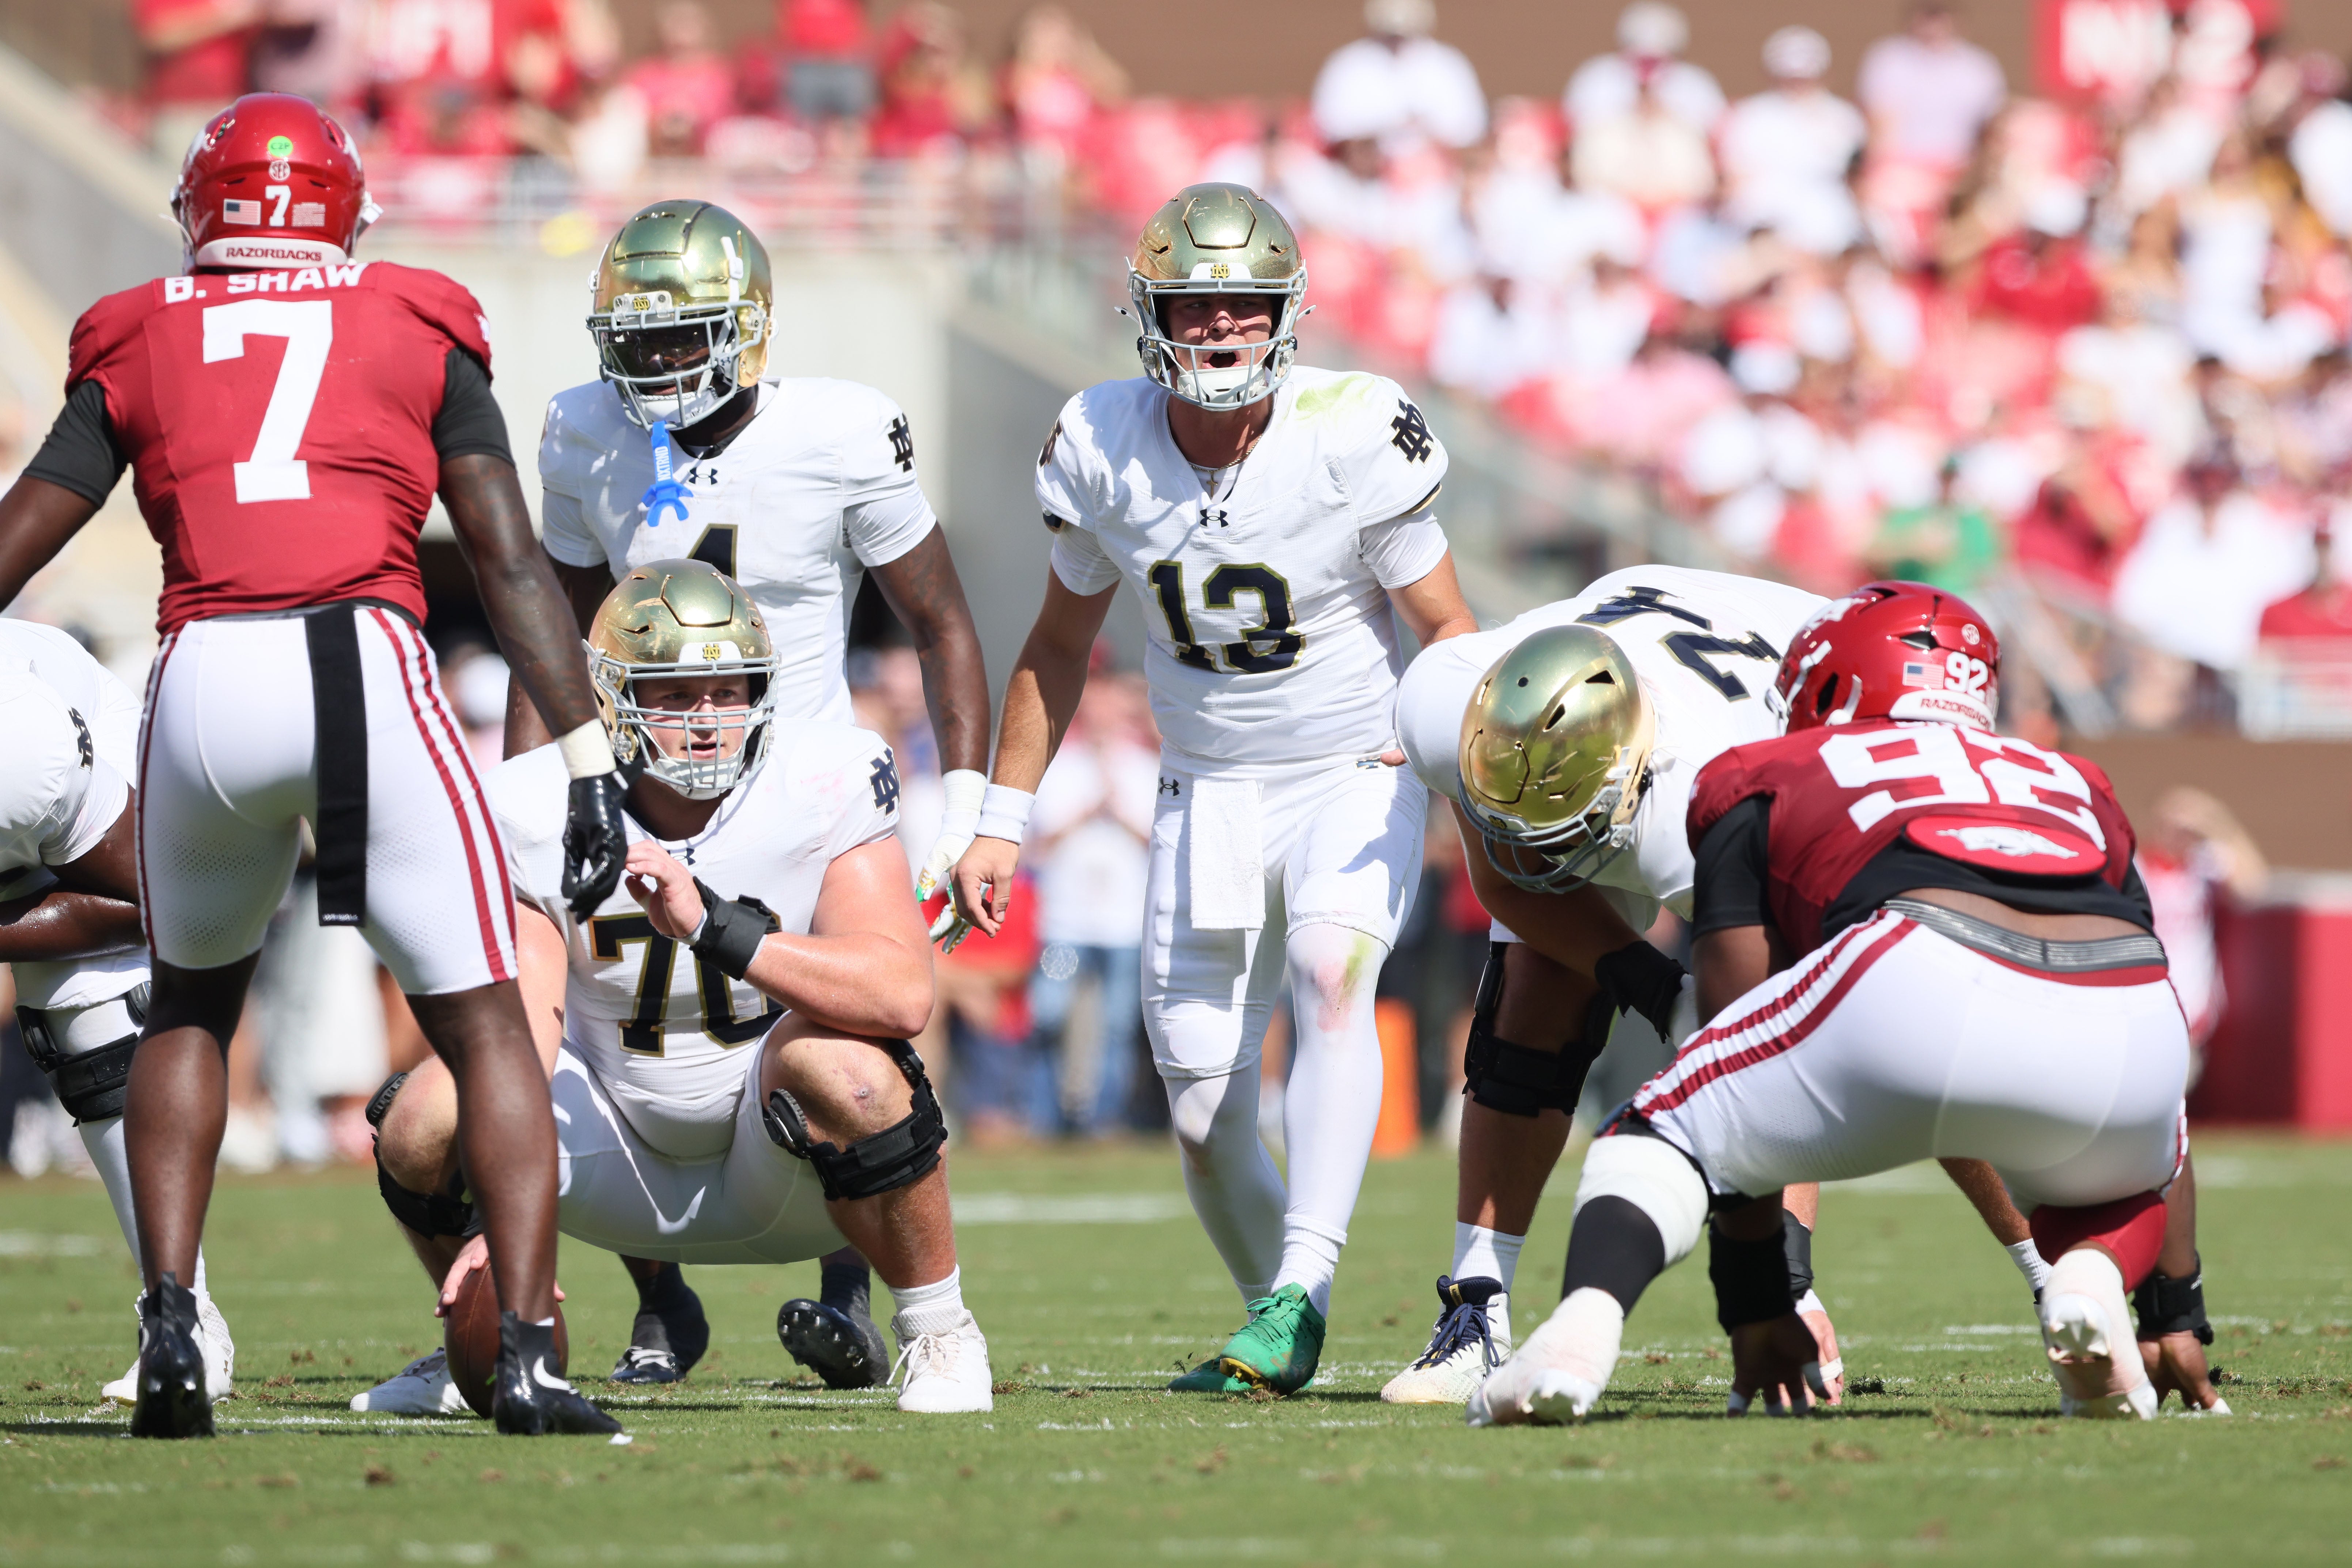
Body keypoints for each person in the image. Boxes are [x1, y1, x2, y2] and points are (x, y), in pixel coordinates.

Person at [0, 94, 630, 1439]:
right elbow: (512, 561)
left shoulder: (136, 327)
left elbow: (27, 531)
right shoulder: (416, 311)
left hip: (208, 673)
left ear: (199, 210)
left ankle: (173, 1322)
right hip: (365, 660)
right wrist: (585, 750)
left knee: (187, 1006)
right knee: (481, 1023)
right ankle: (523, 1348)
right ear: (345, 212)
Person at [451, 198, 990, 1401]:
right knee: (616, 1023)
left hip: (802, 787)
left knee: (847, 1033)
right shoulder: (581, 429)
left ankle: (856, 1286)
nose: (648, 366)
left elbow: (942, 617)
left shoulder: (842, 430)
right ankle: (659, 1299)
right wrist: (534, 793)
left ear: (745, 330)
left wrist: (966, 802)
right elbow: (555, 639)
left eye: (676, 337)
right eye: (631, 342)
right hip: (640, 778)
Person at [950, 182, 1480, 1393]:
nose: (1223, 328)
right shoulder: (1097, 444)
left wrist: (1440, 741)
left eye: (1245, 303)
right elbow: (1054, 646)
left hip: (1356, 759)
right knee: (1199, 1112)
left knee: (1331, 978)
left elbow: (1445, 625)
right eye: (1196, 305)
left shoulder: (1349, 430)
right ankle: (1275, 1320)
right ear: (1151, 315)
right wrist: (997, 820)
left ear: (1287, 311)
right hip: (1205, 787)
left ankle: (1305, 1279)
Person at [1473, 582, 2193, 1426]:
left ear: (1836, 685)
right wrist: (2180, 1312)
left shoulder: (1767, 768)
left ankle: (1581, 1325)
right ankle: (2093, 1277)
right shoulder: (2077, 780)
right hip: (2130, 1029)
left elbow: (1734, 1021)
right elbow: (2154, 1037)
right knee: (2132, 1168)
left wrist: (1758, 1301)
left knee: (1655, 1128)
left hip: (1916, 967)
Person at [364, 561, 994, 1415]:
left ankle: (938, 1327)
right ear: (610, 700)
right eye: (675, 694)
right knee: (425, 1112)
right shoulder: (537, 798)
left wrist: (714, 927)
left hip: (786, 1157)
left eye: (729, 690)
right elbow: (522, 1028)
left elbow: (899, 992)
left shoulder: (825, 772)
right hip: (608, 1147)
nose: (708, 722)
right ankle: (490, 1328)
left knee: (854, 1066)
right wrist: (488, 1221)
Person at [1374, 565, 1827, 1405]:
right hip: (1626, 648)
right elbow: (1507, 880)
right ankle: (1476, 1307)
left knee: (1903, 998)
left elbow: (1783, 1024)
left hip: (1799, 671)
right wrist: (1655, 984)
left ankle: (2054, 1277)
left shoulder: (1708, 803)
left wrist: (1782, 1277)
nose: (1536, 849)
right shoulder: (1450, 704)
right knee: (1530, 989)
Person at [0, 622, 237, 1407]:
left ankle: (184, 1318)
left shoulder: (19, 749)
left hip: (75, 771)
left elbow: (167, 887)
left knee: (83, 1002)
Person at [1310, 0, 1487, 154]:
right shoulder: (1349, 64)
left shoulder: (1447, 65)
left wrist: (1426, 131)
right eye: (1391, 35)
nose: (1398, 42)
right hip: (1361, 178)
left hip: (1436, 178)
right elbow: (1329, 124)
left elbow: (1470, 126)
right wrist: (1384, 130)